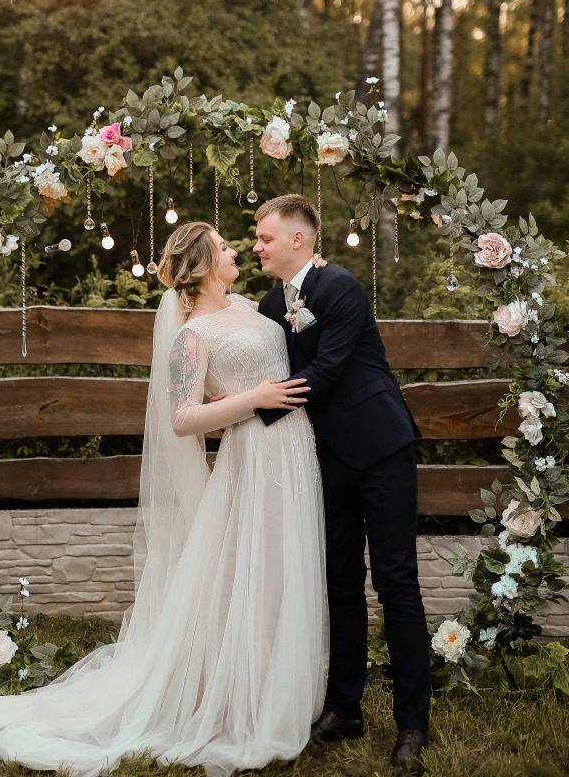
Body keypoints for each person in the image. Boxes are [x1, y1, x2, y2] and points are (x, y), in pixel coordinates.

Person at [0, 221, 328, 777]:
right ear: (201, 266)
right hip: (250, 462)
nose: (235, 252)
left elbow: (289, 335)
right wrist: (251, 399)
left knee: (282, 568)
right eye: (224, 247)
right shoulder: (192, 335)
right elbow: (182, 419)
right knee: (245, 573)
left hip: (293, 454)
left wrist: (311, 277)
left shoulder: (252, 307)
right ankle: (236, 699)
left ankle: (280, 684)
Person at [252, 195, 431, 777]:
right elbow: (261, 365)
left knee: (396, 582)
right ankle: (344, 708)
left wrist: (250, 412)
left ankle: (412, 723)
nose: (257, 245)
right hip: (323, 459)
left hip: (380, 448)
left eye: (265, 237)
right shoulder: (266, 304)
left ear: (298, 240)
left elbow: (326, 371)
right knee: (339, 582)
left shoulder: (341, 288)